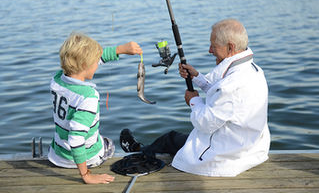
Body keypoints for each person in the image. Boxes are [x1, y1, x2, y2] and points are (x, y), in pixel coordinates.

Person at [120, 18, 271, 177]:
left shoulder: (231, 85)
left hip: (227, 153)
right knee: (177, 139)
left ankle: (137, 151)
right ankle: (143, 149)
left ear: (230, 47)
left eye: (213, 46)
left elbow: (205, 123)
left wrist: (193, 100)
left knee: (169, 139)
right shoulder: (253, 71)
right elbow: (221, 94)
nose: (209, 50)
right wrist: (197, 77)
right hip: (247, 145)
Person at [48, 32, 142, 184]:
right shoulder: (88, 98)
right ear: (85, 65)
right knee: (107, 143)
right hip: (83, 159)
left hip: (58, 154)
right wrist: (86, 175)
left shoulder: (57, 80)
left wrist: (120, 50)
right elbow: (76, 139)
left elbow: (86, 60)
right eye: (95, 62)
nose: (97, 64)